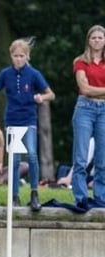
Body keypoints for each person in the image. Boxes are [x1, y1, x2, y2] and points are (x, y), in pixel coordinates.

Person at [0, 37, 55, 211]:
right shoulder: (5, 74)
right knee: (15, 159)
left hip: (29, 120)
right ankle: (14, 195)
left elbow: (50, 94)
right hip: (12, 121)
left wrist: (41, 97)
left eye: (21, 56)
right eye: (15, 56)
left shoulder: (34, 74)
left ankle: (34, 194)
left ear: (27, 56)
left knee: (32, 154)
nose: (18, 59)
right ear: (11, 56)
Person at [70, 24, 105, 210]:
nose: (97, 41)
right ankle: (81, 197)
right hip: (85, 108)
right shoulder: (81, 61)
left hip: (104, 110)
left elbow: (91, 89)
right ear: (88, 41)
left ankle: (101, 197)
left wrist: (96, 91)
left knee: (103, 159)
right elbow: (84, 89)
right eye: (94, 38)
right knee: (81, 157)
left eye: (100, 37)